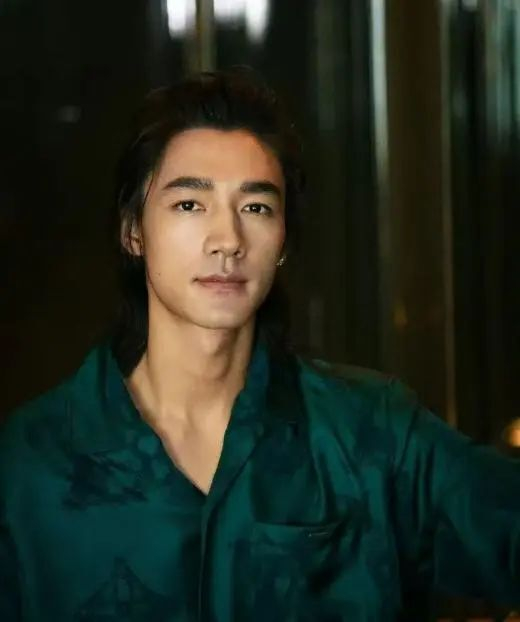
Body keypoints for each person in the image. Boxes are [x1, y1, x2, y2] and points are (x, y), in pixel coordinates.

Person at [0, 68, 518, 622]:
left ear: (284, 238)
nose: (228, 240)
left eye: (256, 208)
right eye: (189, 204)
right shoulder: (31, 463)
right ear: (134, 231)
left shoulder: (370, 435)